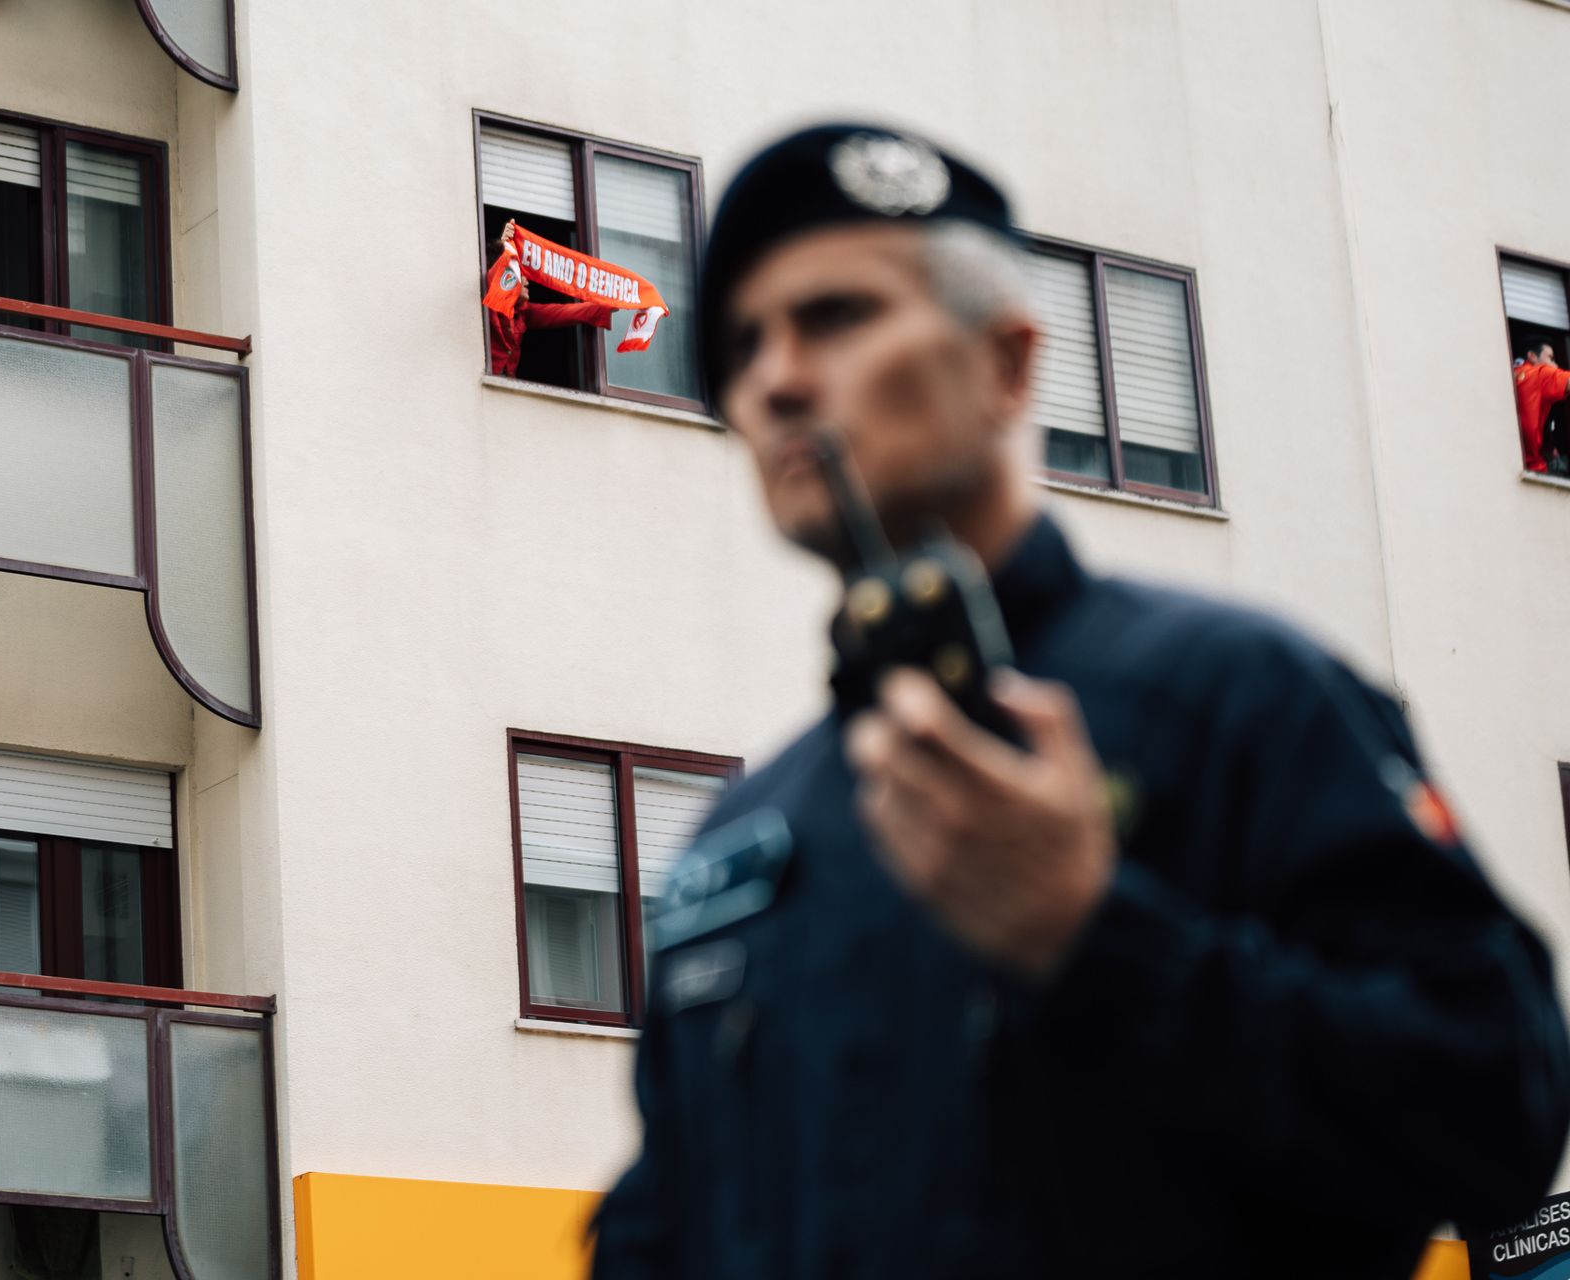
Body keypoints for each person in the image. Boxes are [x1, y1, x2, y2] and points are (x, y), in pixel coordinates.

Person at [592, 123, 1570, 1279]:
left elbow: (1495, 1104)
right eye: (743, 345)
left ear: (1007, 363)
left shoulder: (1238, 696)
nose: (776, 378)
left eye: (837, 316)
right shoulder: (740, 838)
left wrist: (1096, 934)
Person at [485, 219, 615, 378]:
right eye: (520, 273)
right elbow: (492, 279)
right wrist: (506, 247)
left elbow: (563, 313)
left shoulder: (523, 312)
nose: (526, 280)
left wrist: (607, 304)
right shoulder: (488, 298)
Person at [1515, 338, 1569, 473]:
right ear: (1532, 356)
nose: (1555, 366)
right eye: (1550, 358)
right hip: (1534, 467)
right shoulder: (1538, 375)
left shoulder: (1515, 375)